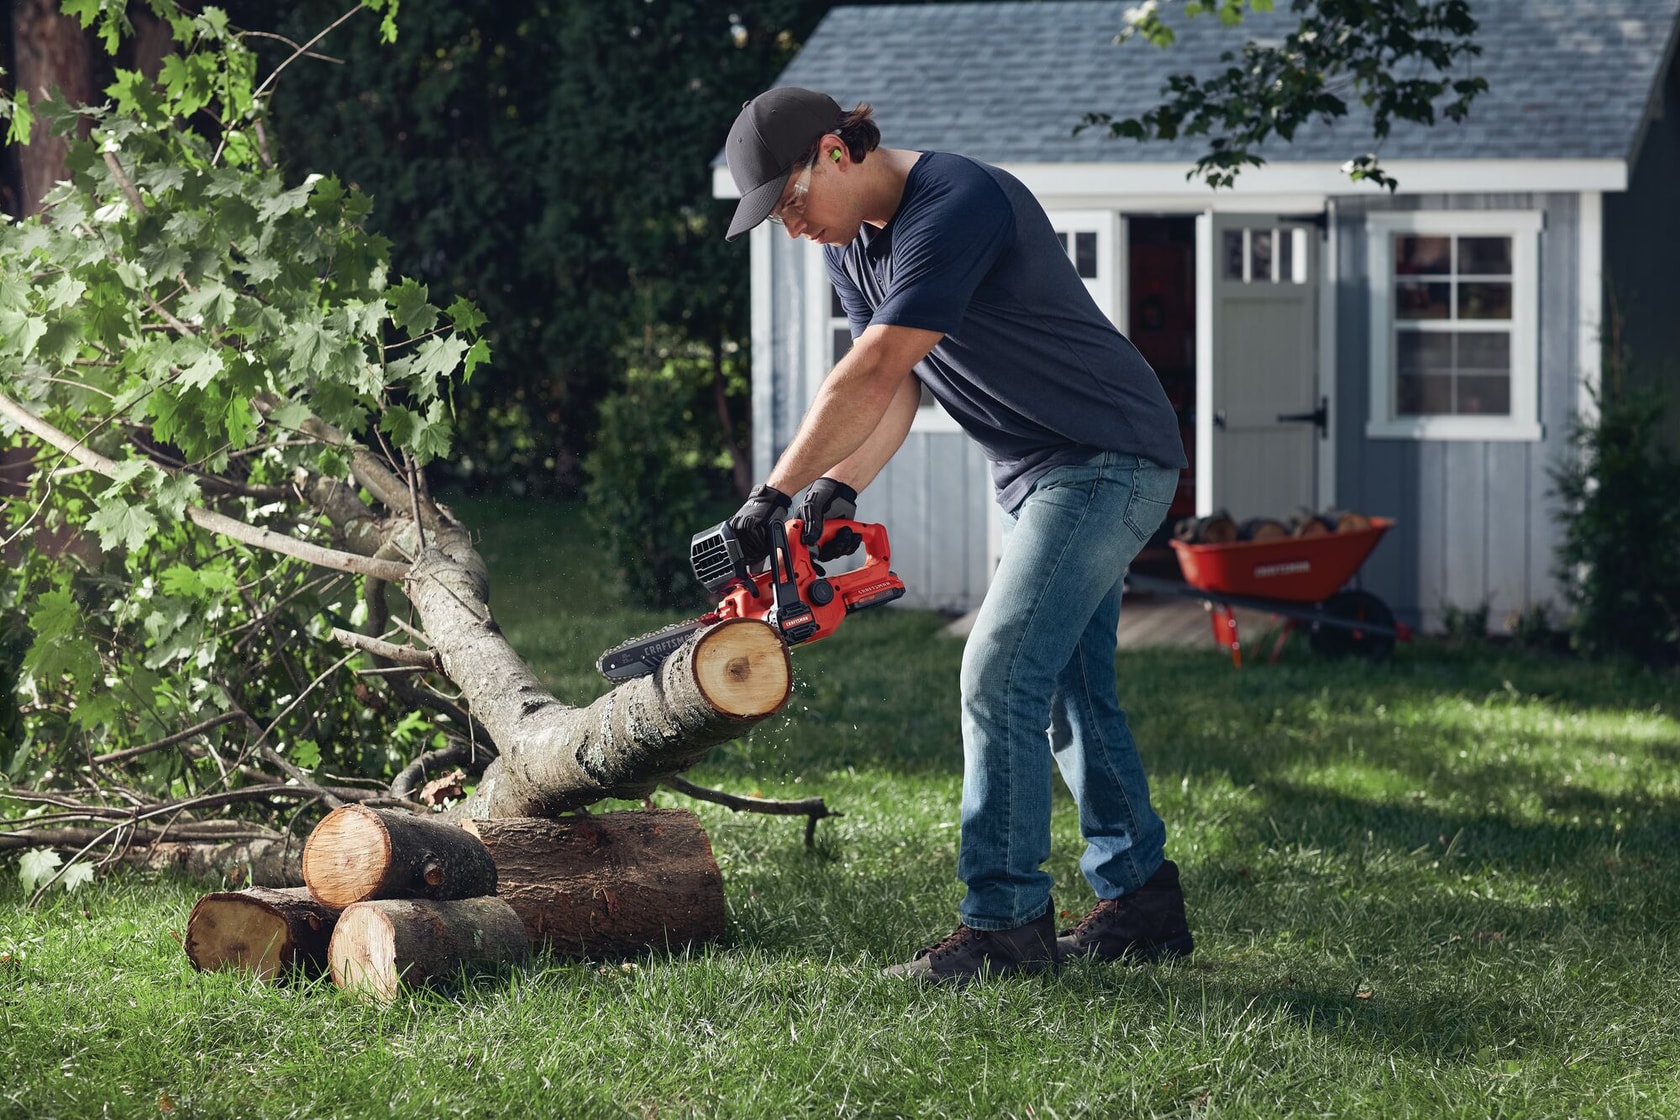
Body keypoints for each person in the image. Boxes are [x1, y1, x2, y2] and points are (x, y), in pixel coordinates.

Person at [721, 87, 1194, 985]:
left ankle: (1006, 927)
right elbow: (899, 391)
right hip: (1038, 475)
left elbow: (877, 363)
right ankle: (1141, 902)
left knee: (1000, 671)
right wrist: (833, 486)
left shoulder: (958, 201)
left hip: (1107, 458)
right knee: (1069, 688)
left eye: (788, 204)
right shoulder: (854, 243)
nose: (791, 229)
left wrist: (771, 493)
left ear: (833, 151)